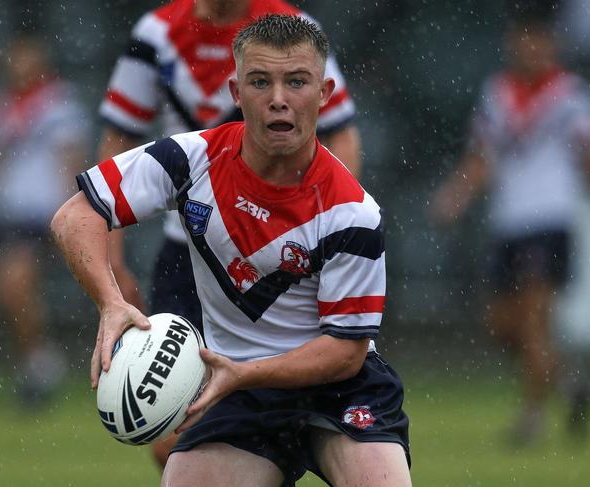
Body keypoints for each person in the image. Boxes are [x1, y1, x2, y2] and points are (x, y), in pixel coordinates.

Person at [52, 14, 411, 486]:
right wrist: (110, 302)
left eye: (297, 82)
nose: (279, 100)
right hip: (237, 389)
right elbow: (75, 216)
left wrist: (245, 372)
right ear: (236, 93)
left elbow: (345, 352)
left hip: (338, 389)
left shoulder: (353, 212)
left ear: (323, 95)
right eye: (260, 82)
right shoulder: (189, 159)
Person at [96, 0, 362, 465]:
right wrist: (112, 261)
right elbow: (119, 136)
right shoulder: (156, 33)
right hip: (190, 256)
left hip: (284, 257)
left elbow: (342, 134)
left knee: (305, 409)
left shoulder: (293, 31)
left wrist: (332, 231)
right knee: (171, 433)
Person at [431, 6, 590, 443]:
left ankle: (532, 418)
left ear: (552, 45)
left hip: (550, 219)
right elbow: (482, 156)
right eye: (524, 40)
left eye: (538, 41)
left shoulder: (570, 95)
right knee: (502, 325)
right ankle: (569, 384)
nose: (531, 49)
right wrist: (457, 194)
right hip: (508, 223)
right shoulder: (498, 92)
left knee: (534, 319)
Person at [0, 33, 89, 406]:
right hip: (13, 216)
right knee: (11, 288)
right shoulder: (1, 107)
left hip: (46, 215)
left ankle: (41, 364)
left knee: (11, 281)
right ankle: (38, 364)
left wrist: (75, 216)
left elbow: (72, 162)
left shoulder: (58, 103)